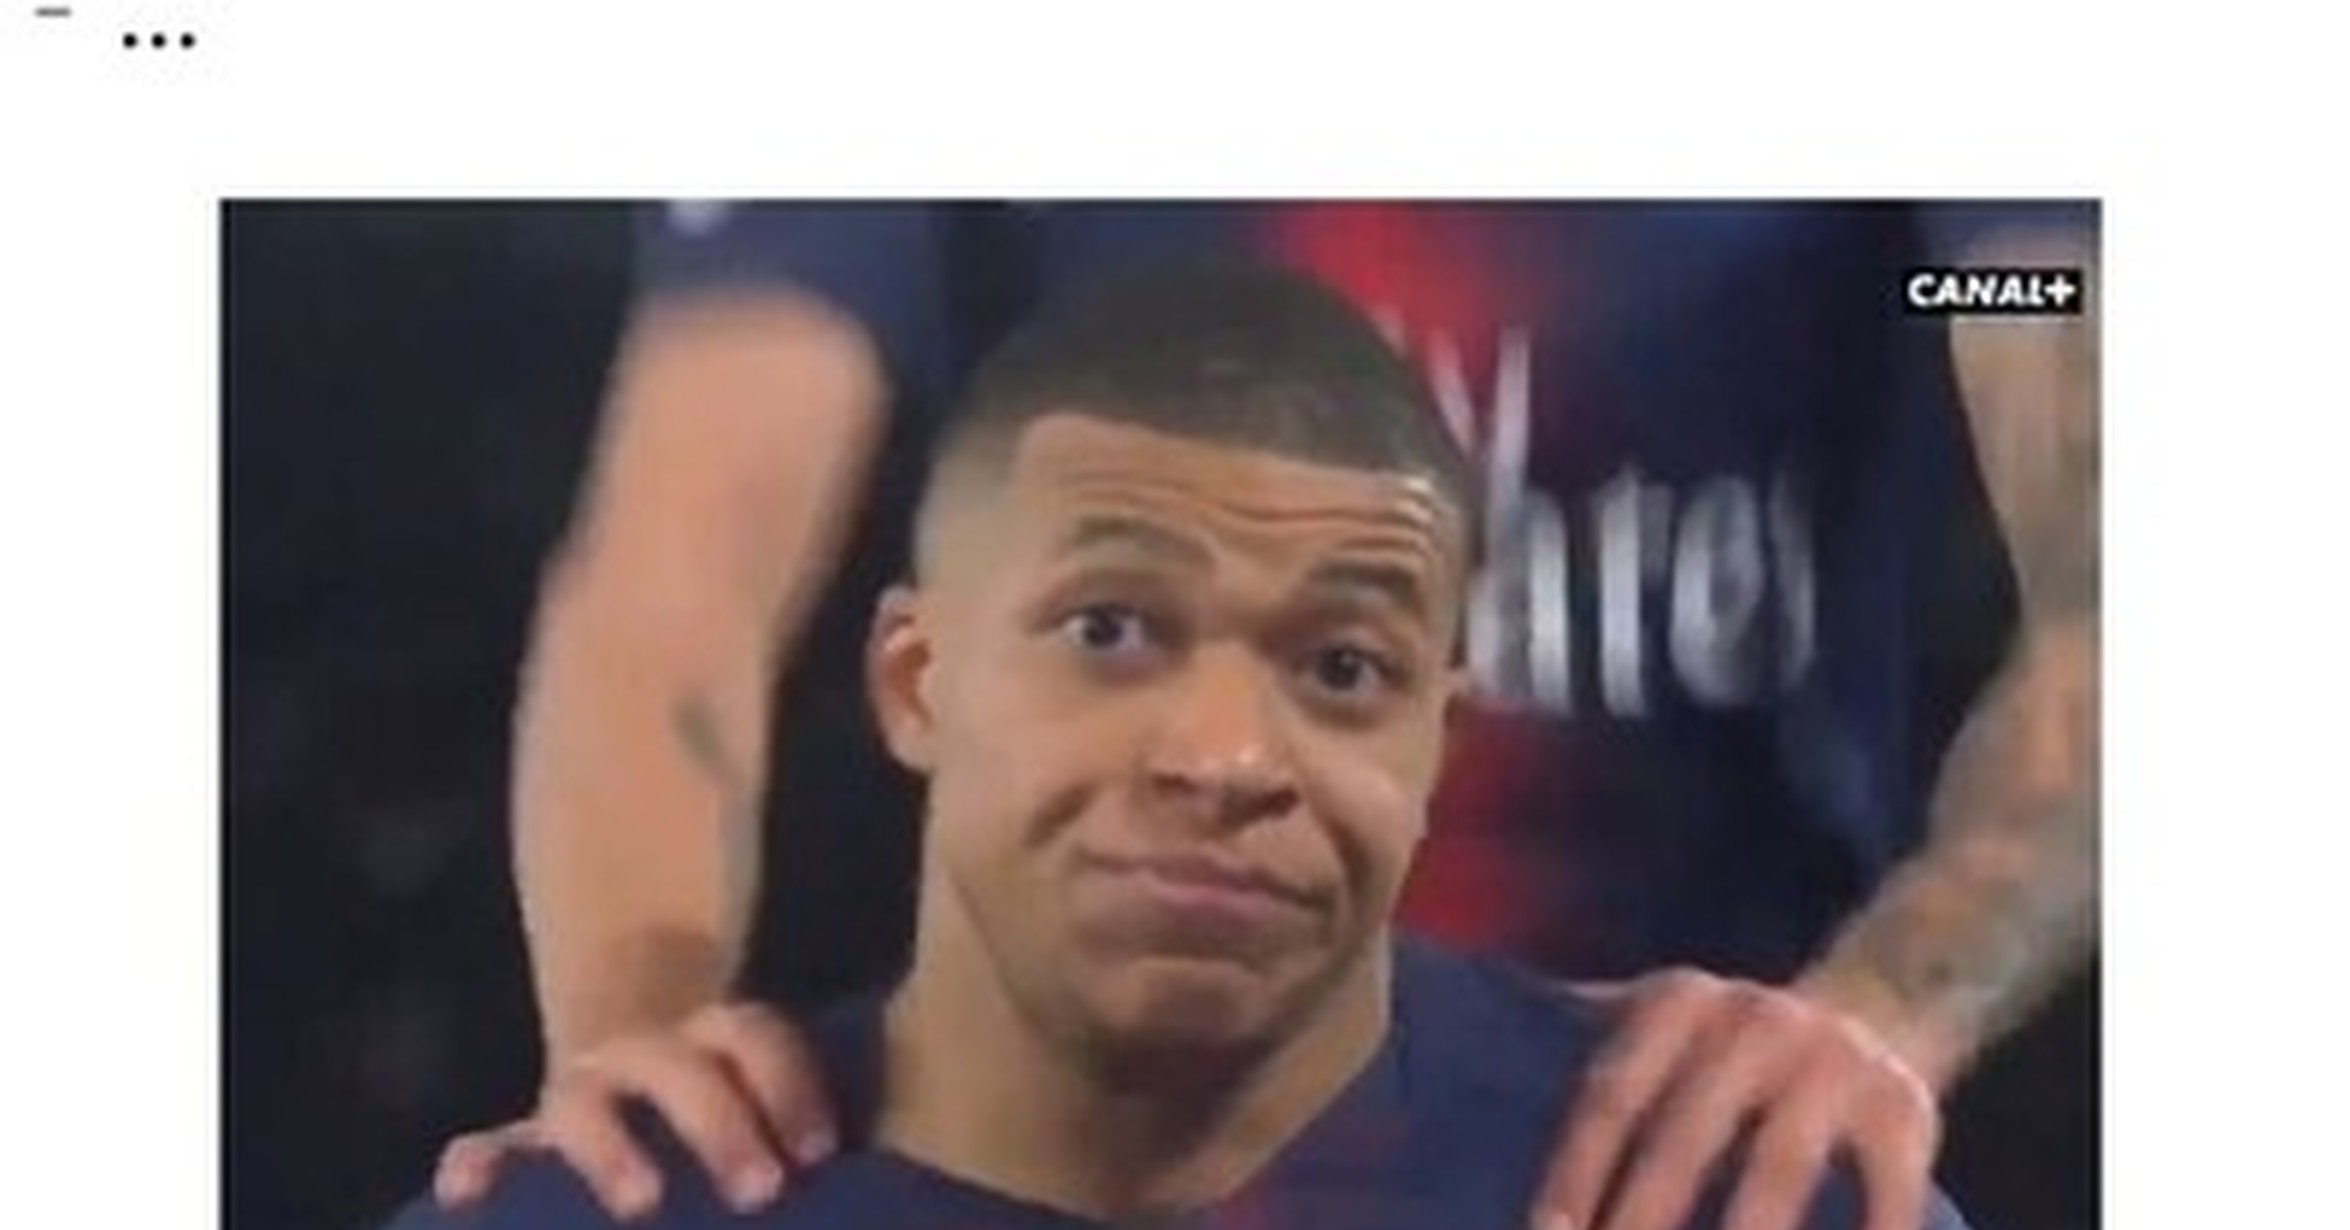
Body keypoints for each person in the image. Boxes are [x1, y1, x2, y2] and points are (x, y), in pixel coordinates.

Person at [446, 203, 2098, 1230]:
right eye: (1115, 633)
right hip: (1030, 1126)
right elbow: (680, 582)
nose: (1227, 754)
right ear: (916, 678)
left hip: (1692, 1141)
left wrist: (1881, 1014)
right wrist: (636, 1087)